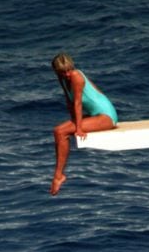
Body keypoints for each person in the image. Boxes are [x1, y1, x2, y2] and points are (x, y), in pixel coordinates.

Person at [50, 53, 118, 195]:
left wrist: (78, 128)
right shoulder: (63, 79)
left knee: (60, 131)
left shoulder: (75, 76)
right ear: (57, 72)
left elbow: (78, 103)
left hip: (106, 116)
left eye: (69, 70)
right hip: (95, 115)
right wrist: (73, 123)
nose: (67, 74)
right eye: (63, 72)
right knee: (59, 131)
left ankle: (58, 176)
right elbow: (69, 103)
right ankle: (58, 175)